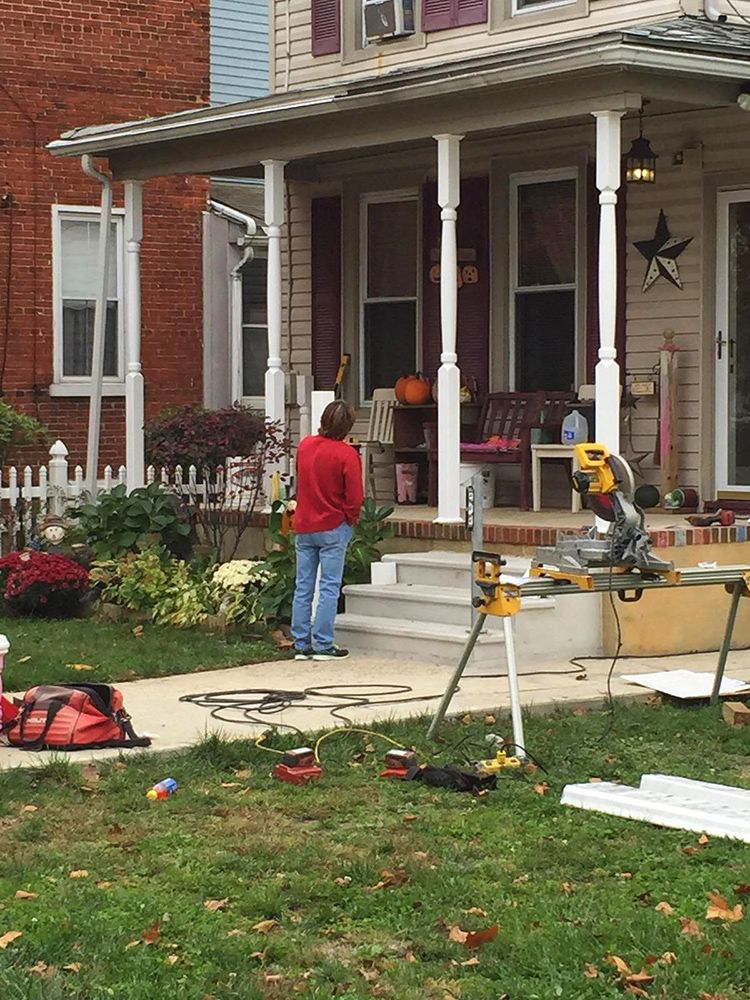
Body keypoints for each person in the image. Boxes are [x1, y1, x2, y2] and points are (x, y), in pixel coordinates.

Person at [291, 399, 363, 661]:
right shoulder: (347, 454)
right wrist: (350, 519)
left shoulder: (305, 446)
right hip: (333, 525)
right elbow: (355, 496)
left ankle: (301, 643)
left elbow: (301, 478)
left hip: (304, 524)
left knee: (303, 585)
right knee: (329, 586)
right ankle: (323, 644)